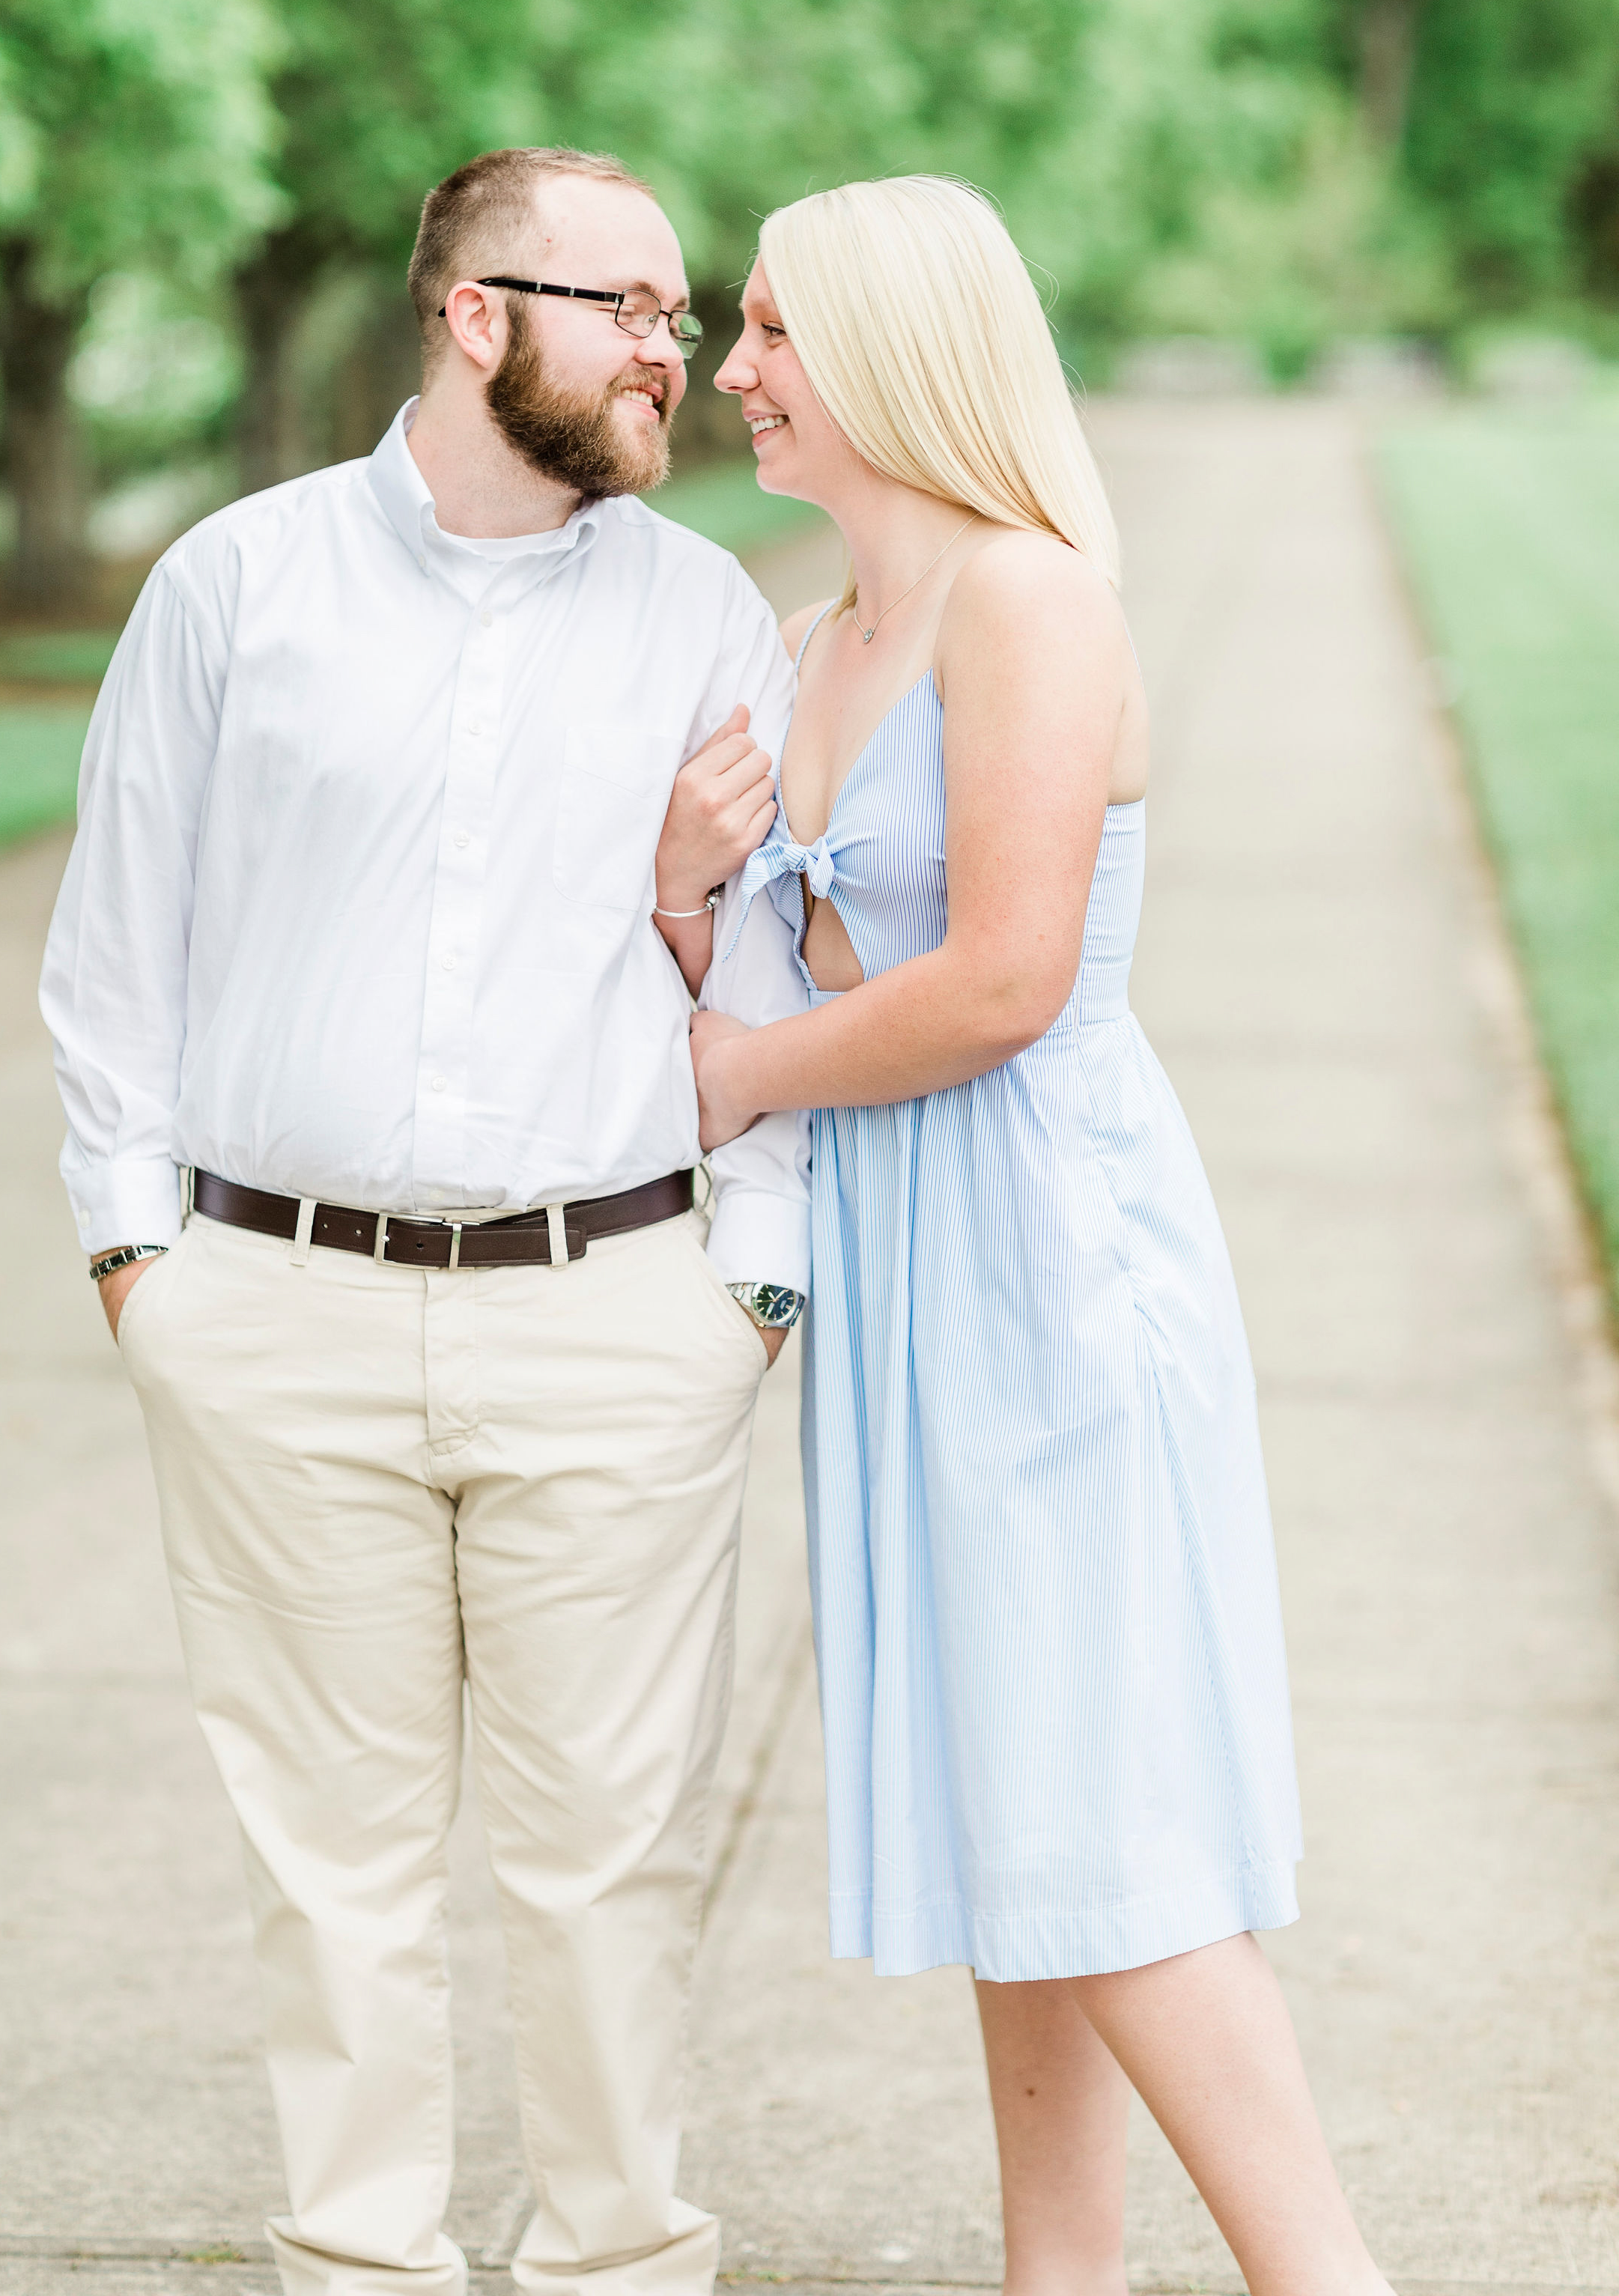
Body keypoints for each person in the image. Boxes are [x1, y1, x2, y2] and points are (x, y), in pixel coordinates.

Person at [40, 145, 812, 2296]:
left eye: (684, 314)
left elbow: (761, 970)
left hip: (616, 1310)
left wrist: (742, 1281)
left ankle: (620, 2265)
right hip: (271, 1314)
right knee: (336, 1865)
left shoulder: (703, 617)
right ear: (481, 315)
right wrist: (146, 1272)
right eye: (634, 308)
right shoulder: (234, 586)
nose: (678, 349)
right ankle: (359, 2267)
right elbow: (119, 954)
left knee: (607, 1866)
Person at [688, 175, 1394, 2295]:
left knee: (1113, 1824)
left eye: (767, 330)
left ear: (894, 348)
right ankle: (1055, 2277)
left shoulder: (1030, 603)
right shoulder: (819, 637)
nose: (731, 373)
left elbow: (1000, 979)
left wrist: (725, 1082)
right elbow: (788, 962)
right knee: (1025, 1817)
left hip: (1048, 1258)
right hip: (904, 1270)